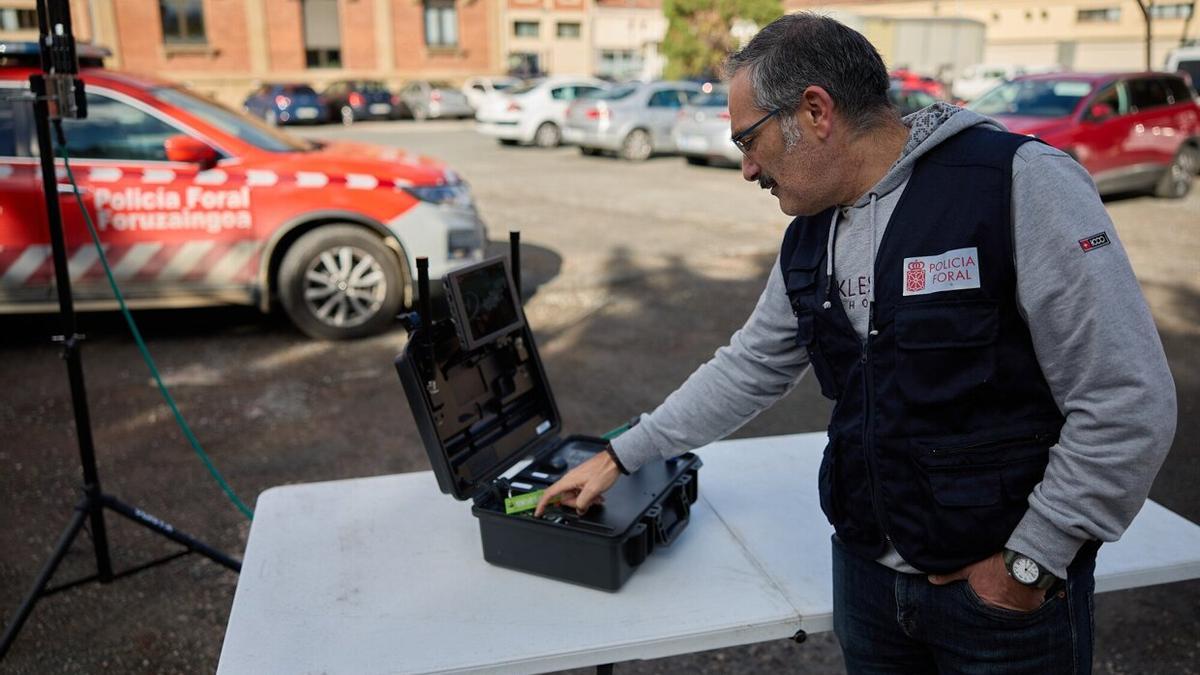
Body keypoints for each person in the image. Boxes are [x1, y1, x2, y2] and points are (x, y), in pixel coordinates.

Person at [535, 13, 1177, 674]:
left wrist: (1030, 561)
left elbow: (1127, 399)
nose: (748, 168)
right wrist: (620, 454)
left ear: (815, 111)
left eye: (749, 141)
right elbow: (750, 365)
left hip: (999, 603)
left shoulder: (1017, 183)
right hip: (868, 587)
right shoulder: (812, 230)